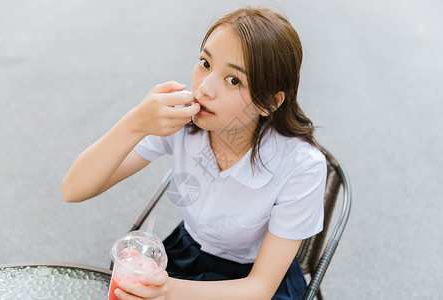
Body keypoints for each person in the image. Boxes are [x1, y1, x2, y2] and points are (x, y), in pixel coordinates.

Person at [62, 7, 326, 300]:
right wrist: (135, 124)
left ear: (270, 103)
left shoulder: (301, 166)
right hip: (186, 256)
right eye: (205, 63)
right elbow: (73, 190)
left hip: (251, 282)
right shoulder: (181, 125)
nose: (205, 88)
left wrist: (166, 290)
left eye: (233, 80)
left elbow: (259, 288)